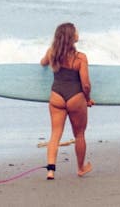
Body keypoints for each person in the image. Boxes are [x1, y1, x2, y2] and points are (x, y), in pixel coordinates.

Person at [39, 22, 94, 180]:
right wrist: (88, 99)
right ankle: (81, 168)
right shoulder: (80, 58)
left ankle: (50, 170)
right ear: (71, 37)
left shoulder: (52, 53)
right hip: (75, 97)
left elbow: (42, 62)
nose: (78, 33)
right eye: (76, 31)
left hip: (56, 96)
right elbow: (85, 84)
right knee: (79, 135)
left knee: (55, 134)